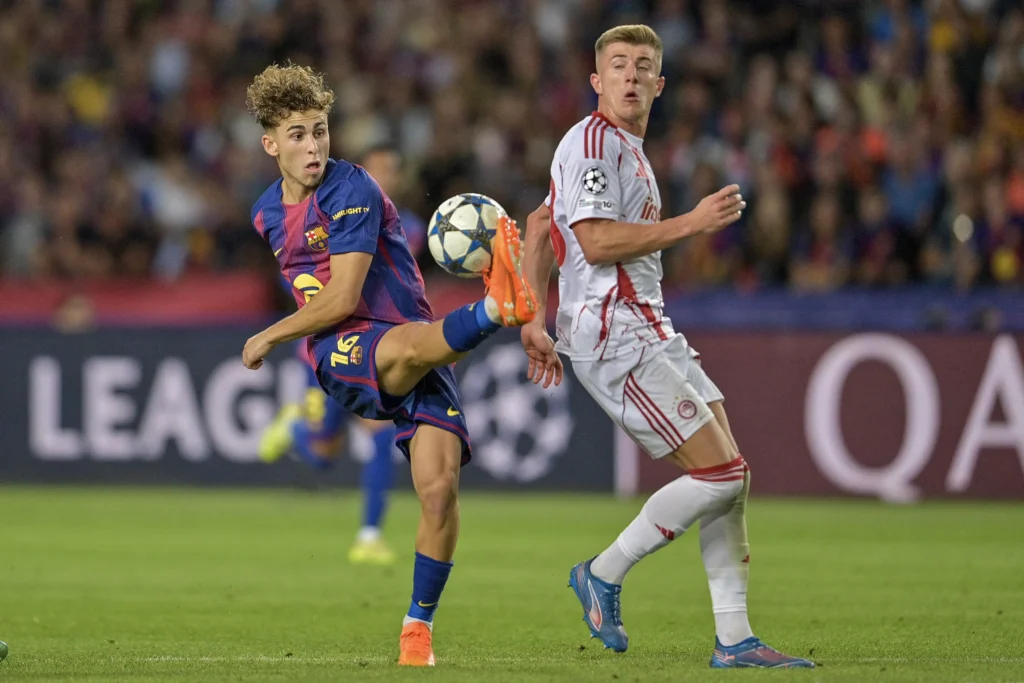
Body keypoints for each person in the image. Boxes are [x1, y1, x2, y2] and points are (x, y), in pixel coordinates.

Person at [518, 25, 814, 669]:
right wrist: (693, 223)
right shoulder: (594, 141)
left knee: (732, 478)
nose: (630, 75)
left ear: (659, 83)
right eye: (617, 65)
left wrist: (532, 313)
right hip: (614, 334)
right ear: (597, 81)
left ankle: (734, 639)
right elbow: (594, 242)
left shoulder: (621, 147)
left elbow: (541, 224)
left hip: (649, 327)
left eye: (642, 66)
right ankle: (602, 572)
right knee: (720, 474)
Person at [241, 63, 537, 666]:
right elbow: (337, 308)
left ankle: (416, 629)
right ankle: (494, 308)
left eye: (320, 131)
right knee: (401, 353)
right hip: (344, 350)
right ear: (271, 145)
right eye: (297, 135)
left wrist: (268, 335)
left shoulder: (352, 189)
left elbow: (344, 292)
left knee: (440, 490)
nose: (313, 146)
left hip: (416, 340)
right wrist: (276, 336)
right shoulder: (265, 213)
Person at [258, 145, 428, 566]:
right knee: (323, 455)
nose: (387, 176)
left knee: (381, 432)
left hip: (372, 341)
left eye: (393, 168)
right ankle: (297, 427)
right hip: (325, 346)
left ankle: (369, 535)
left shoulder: (410, 226)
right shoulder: (325, 212)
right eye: (380, 168)